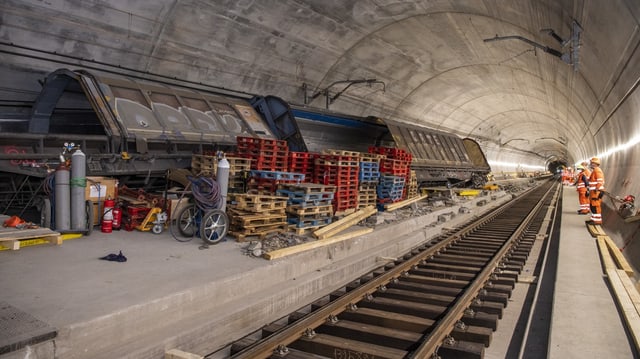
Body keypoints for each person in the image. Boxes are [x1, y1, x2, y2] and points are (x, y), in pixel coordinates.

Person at [587, 157, 605, 225]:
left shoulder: (597, 170)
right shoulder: (594, 170)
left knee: (596, 206)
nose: (590, 164)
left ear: (595, 163)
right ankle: (593, 219)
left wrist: (597, 189)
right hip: (593, 192)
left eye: (592, 163)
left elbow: (600, 181)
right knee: (592, 206)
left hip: (596, 192)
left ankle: (597, 221)